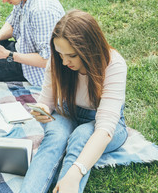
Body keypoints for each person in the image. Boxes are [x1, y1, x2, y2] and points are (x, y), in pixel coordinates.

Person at [20, 10, 128, 193]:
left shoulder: (114, 65)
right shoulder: (58, 60)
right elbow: (46, 100)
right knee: (55, 138)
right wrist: (42, 109)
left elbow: (105, 129)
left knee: (81, 137)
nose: (64, 62)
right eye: (60, 54)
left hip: (107, 125)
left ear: (89, 49)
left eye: (71, 55)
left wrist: (75, 173)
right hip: (69, 112)